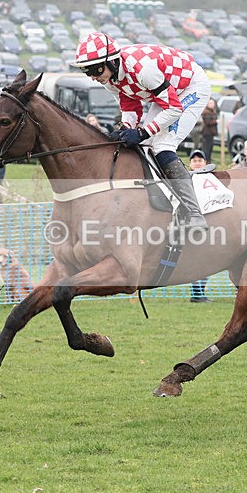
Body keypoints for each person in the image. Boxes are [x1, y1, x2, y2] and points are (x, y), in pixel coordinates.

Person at [72, 32, 210, 230]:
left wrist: (142, 132)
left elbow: (174, 109)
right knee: (145, 146)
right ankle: (163, 204)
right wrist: (127, 129)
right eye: (88, 72)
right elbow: (129, 106)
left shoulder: (143, 70)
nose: (93, 77)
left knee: (161, 145)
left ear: (112, 62)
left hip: (190, 87)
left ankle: (194, 213)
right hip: (166, 94)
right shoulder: (110, 80)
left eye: (96, 69)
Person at [187, 149, 211, 302]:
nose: (197, 162)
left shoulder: (210, 179)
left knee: (208, 259)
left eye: (199, 160)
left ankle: (200, 292)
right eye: (194, 160)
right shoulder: (184, 180)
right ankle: (196, 293)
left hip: (209, 222)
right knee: (196, 259)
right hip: (192, 223)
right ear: (190, 164)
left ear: (205, 163)